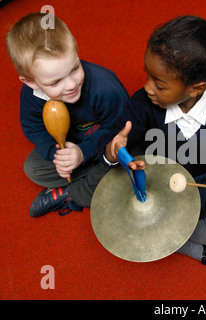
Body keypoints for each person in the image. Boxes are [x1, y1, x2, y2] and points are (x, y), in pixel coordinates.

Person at [98, 15, 206, 289]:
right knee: (111, 213)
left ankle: (178, 237)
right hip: (157, 180)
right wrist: (113, 150)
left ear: (196, 88)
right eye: (147, 74)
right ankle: (203, 253)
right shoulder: (142, 102)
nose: (148, 87)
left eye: (160, 84)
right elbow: (117, 140)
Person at [6, 13, 130, 217]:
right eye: (55, 82)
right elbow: (33, 126)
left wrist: (83, 152)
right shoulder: (31, 93)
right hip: (71, 146)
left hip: (108, 145)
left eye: (75, 68)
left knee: (129, 156)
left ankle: (76, 190)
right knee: (33, 168)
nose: (71, 84)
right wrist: (58, 154)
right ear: (32, 82)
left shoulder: (105, 87)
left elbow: (120, 131)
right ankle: (97, 182)